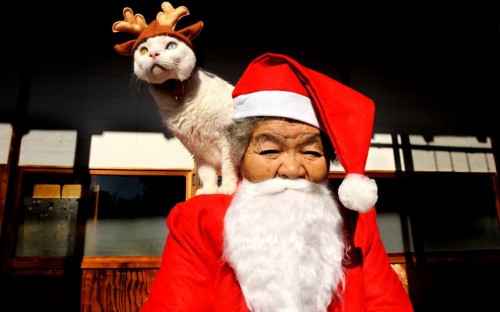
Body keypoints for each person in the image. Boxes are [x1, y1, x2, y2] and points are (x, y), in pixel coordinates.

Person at [141, 53, 414, 311]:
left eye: (311, 152)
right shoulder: (199, 222)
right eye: (270, 151)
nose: (293, 169)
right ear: (240, 156)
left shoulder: (357, 225)